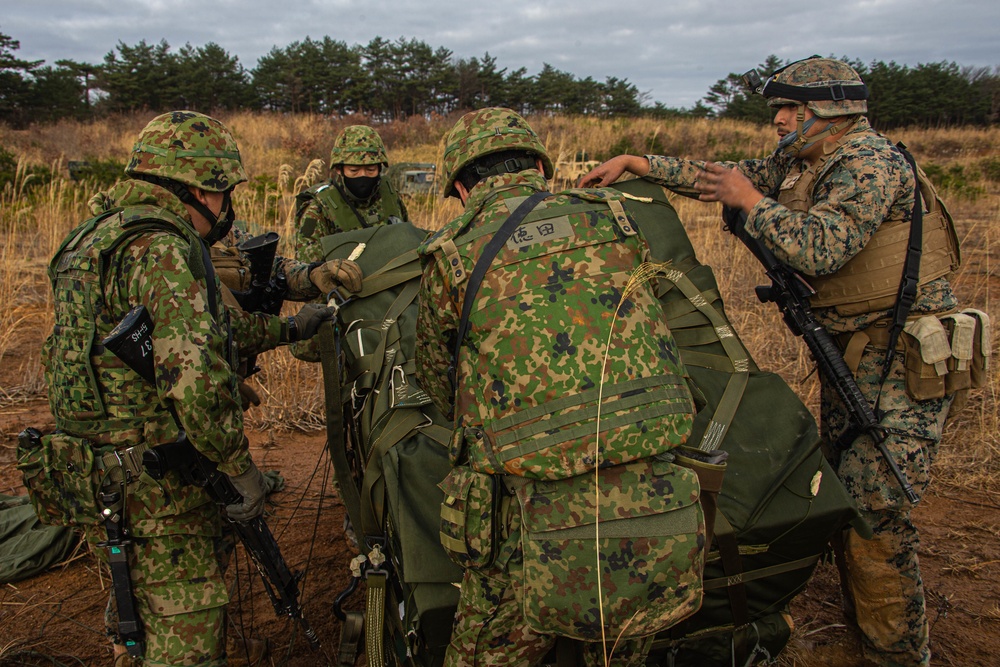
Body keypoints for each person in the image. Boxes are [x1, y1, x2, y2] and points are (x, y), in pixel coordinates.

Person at [581, 57, 966, 667]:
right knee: (848, 491)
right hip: (859, 351)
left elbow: (820, 247)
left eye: (790, 110)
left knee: (876, 508)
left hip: (901, 355)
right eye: (778, 111)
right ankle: (867, 624)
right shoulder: (806, 160)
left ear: (832, 113)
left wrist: (751, 202)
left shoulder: (868, 164)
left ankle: (897, 650)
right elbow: (723, 176)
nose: (780, 121)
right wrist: (639, 163)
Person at [42, 111, 335, 666]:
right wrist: (237, 466)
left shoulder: (91, 238)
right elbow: (195, 374)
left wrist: (288, 327)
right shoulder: (162, 249)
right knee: (185, 627)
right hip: (162, 480)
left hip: (100, 472)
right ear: (199, 189)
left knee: (131, 587)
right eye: (223, 194)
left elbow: (190, 333)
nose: (226, 211)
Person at [414, 108, 702, 666]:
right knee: (620, 642)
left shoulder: (452, 252)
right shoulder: (616, 217)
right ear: (542, 168)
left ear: (457, 183)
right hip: (647, 494)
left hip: (527, 509)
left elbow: (437, 378)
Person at [294, 124, 409, 264]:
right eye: (354, 171)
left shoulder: (389, 196)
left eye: (371, 170)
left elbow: (407, 240)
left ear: (380, 168)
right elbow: (308, 269)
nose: (363, 176)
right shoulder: (319, 208)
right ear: (338, 169)